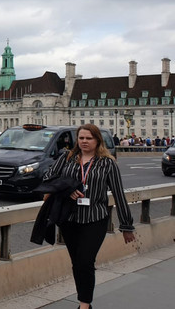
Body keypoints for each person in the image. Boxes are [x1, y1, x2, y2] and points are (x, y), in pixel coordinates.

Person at [41, 124, 135, 309]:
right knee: (77, 262)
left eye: (88, 138)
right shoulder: (67, 158)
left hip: (95, 218)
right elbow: (48, 179)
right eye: (81, 138)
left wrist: (126, 226)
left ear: (97, 140)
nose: (84, 141)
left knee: (85, 260)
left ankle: (85, 304)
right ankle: (84, 299)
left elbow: (118, 193)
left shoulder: (107, 163)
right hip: (69, 219)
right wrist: (68, 189)